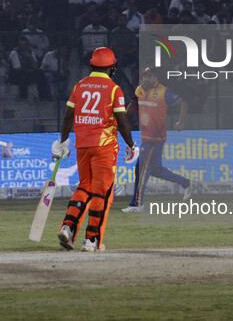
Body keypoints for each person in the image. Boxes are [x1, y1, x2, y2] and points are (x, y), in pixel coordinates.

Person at [54, 47, 136, 252]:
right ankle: (91, 240)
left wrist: (63, 141)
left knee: (84, 187)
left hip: (82, 145)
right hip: (104, 146)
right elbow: (122, 120)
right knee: (103, 193)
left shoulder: (79, 86)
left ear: (92, 65)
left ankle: (68, 227)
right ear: (112, 67)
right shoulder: (114, 89)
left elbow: (67, 117)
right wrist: (131, 144)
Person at [122, 67, 197, 212]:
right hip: (146, 137)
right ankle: (187, 183)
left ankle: (137, 204)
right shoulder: (140, 90)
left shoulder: (164, 91)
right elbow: (133, 103)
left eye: (148, 76)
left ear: (156, 78)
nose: (145, 79)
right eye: (144, 76)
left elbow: (183, 104)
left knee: (142, 169)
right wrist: (124, 116)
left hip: (155, 138)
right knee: (155, 169)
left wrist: (180, 122)